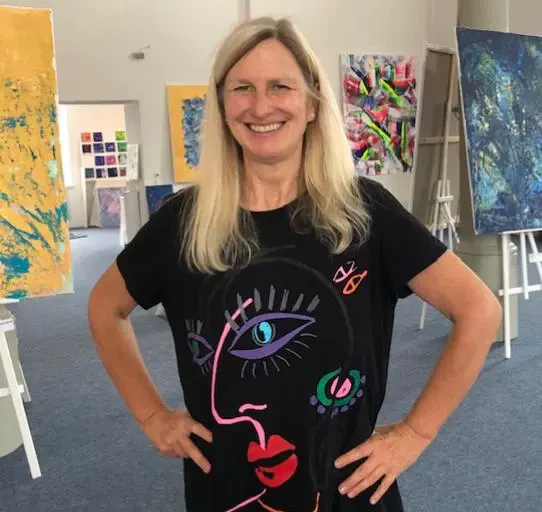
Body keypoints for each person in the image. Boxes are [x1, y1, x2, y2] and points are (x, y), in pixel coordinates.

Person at [88, 16, 501, 512]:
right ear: (222, 106)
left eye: (280, 86)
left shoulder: (365, 214)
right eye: (242, 88)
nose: (261, 106)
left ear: (312, 104)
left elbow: (479, 310)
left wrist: (416, 433)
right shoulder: (183, 223)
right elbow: (105, 307)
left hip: (346, 491)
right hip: (225, 491)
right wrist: (152, 416)